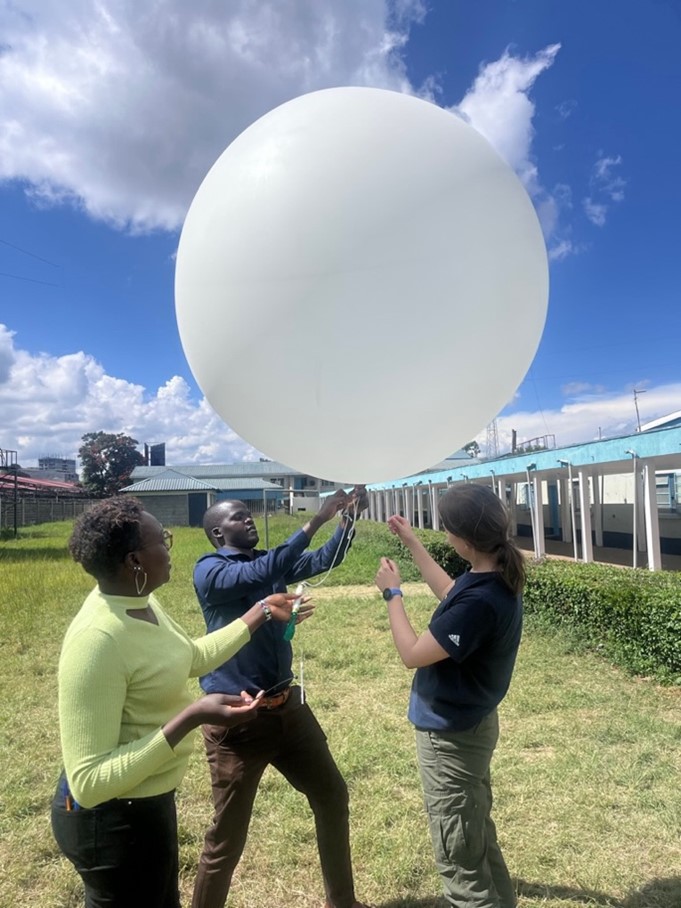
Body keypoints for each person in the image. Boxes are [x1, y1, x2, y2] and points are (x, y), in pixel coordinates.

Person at [51, 497, 308, 908]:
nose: (170, 549)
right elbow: (90, 782)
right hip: (110, 822)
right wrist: (190, 717)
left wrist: (260, 611)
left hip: (149, 803)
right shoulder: (97, 641)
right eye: (163, 541)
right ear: (134, 561)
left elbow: (191, 657)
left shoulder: (142, 604)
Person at [191, 488, 373, 908]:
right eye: (238, 517)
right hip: (238, 720)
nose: (249, 519)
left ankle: (343, 902)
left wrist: (347, 519)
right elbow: (265, 573)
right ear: (218, 532)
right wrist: (316, 518)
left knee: (332, 795)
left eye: (248, 513)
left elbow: (324, 560)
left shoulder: (266, 561)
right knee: (227, 837)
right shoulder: (210, 570)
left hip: (288, 709)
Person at [374, 484, 525, 908]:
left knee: (460, 860)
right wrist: (412, 541)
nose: (445, 537)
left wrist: (392, 594)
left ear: (462, 539)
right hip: (471, 728)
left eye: (445, 530)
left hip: (451, 740)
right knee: (475, 832)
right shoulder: (492, 578)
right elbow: (448, 590)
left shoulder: (480, 602)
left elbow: (412, 654)